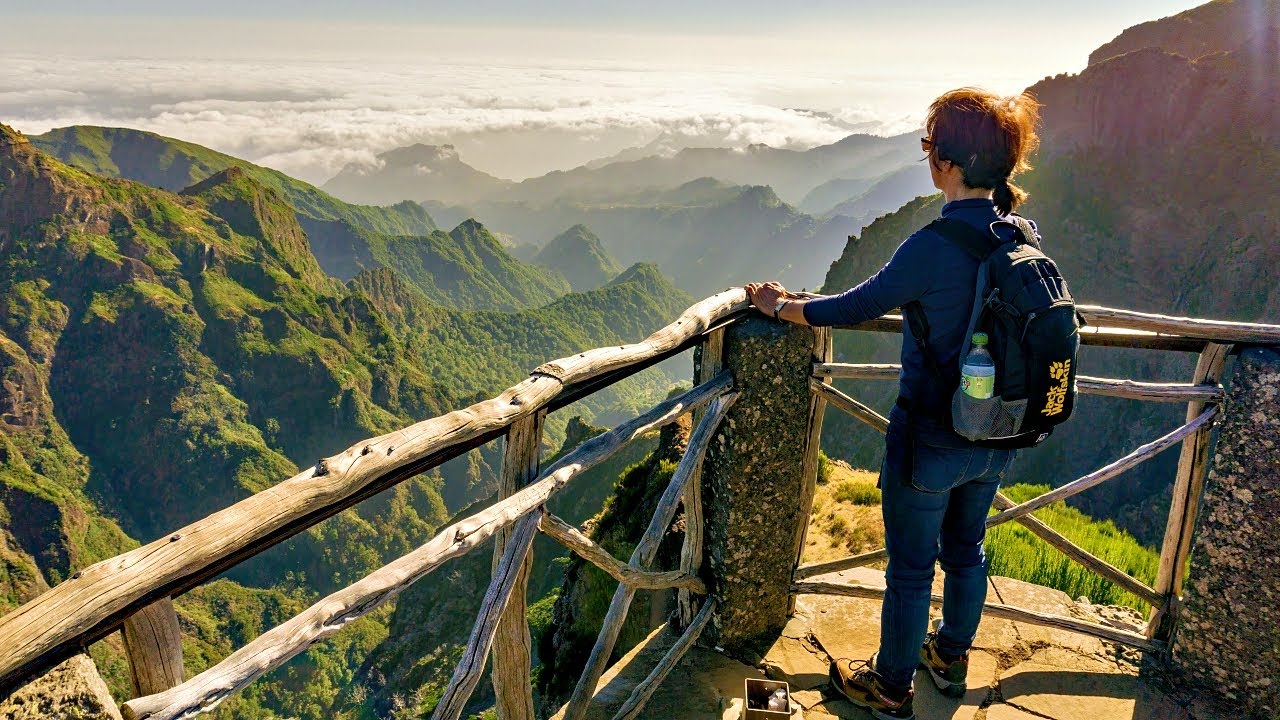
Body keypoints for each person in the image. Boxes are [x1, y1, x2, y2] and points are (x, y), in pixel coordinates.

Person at [745, 87, 1042, 720]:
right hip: (997, 430)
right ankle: (952, 659)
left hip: (931, 435)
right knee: (967, 551)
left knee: (910, 571)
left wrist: (781, 308)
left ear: (951, 165)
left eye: (931, 147)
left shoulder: (932, 246)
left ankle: (891, 688)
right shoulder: (1021, 238)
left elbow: (853, 306)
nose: (928, 158)